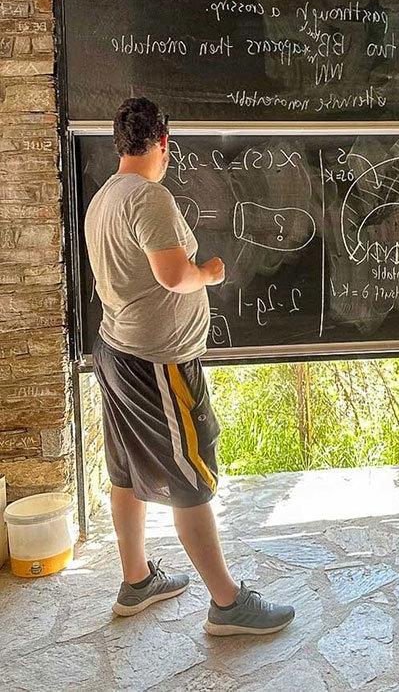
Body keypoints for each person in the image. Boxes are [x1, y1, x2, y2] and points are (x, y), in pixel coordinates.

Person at [84, 97, 295, 635]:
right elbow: (174, 276)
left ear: (118, 144)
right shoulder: (148, 198)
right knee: (189, 478)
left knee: (128, 471)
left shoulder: (104, 197)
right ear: (163, 143)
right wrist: (212, 271)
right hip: (158, 361)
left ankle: (136, 580)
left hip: (117, 351)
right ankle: (228, 605)